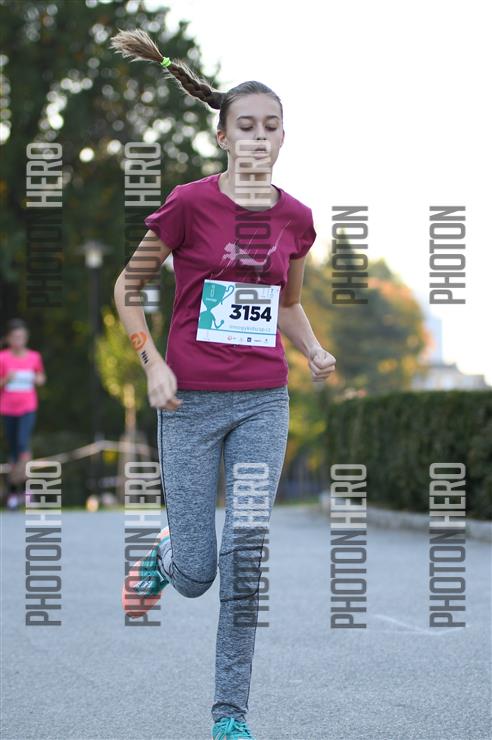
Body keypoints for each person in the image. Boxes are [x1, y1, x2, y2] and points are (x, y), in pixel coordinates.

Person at [110, 29, 336, 740]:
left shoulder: (297, 219)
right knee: (198, 573)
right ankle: (167, 555)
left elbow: (288, 304)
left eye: (271, 127)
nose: (259, 137)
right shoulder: (188, 205)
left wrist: (313, 349)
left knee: (246, 556)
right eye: (247, 126)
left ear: (283, 138)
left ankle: (230, 713)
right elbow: (126, 289)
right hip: (188, 403)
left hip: (264, 401)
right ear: (222, 136)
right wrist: (153, 362)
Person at [0, 318, 46, 510]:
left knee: (22, 444)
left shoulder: (34, 357)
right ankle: (13, 492)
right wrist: (6, 380)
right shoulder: (3, 358)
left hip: (28, 407)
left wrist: (38, 378)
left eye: (22, 337)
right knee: (13, 450)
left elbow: (41, 377)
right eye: (15, 337)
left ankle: (27, 491)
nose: (19, 341)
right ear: (9, 339)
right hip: (7, 408)